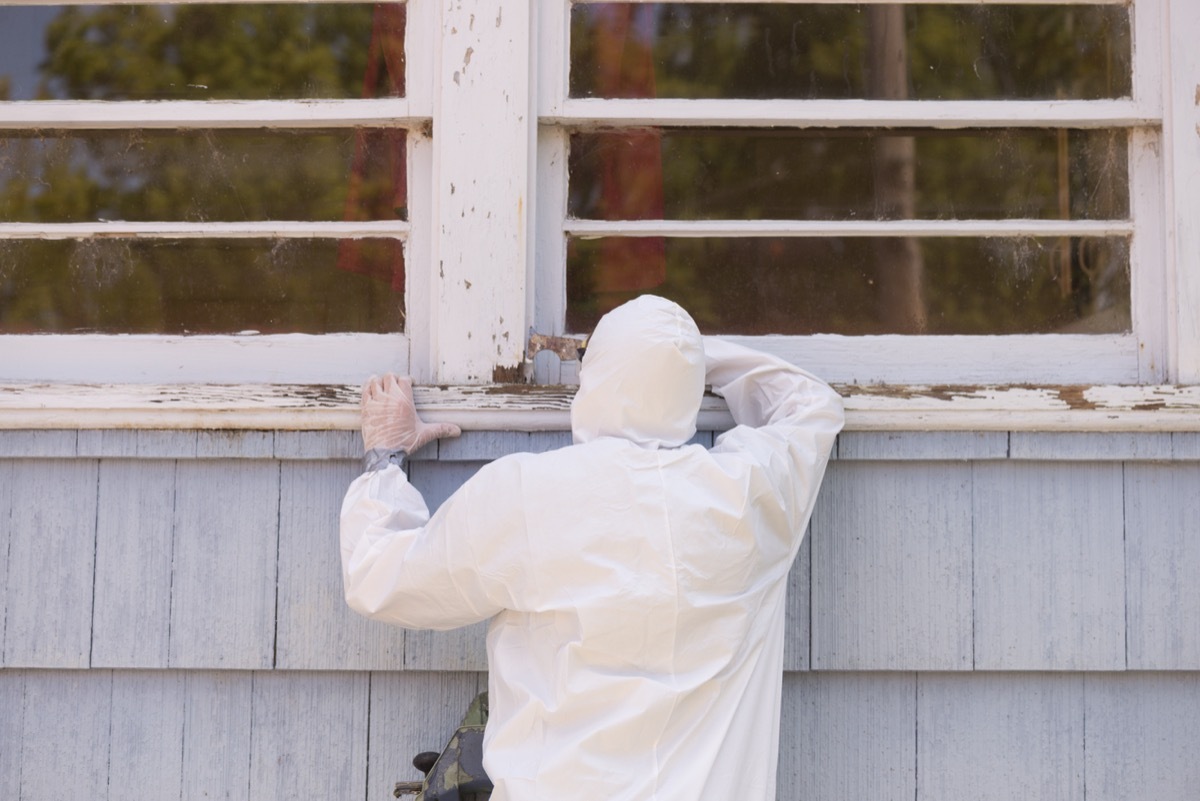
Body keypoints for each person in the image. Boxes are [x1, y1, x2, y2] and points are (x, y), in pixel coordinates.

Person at [340, 295, 844, 801]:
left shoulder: (528, 495)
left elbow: (381, 577)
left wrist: (385, 458)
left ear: (598, 379)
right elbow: (811, 404)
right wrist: (681, 359)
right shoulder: (746, 496)